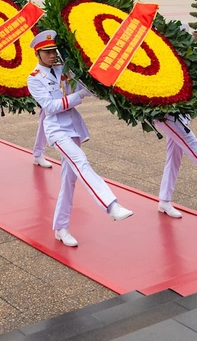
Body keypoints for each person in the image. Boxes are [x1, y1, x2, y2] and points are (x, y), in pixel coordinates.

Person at [27, 30, 132, 247]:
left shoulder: (64, 69)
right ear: (37, 53)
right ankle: (111, 205)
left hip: (73, 128)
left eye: (53, 51)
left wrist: (99, 87)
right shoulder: (34, 78)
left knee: (69, 181)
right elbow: (50, 107)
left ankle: (61, 227)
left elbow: (83, 86)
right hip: (57, 130)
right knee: (81, 161)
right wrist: (78, 96)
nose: (52, 55)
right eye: (47, 52)